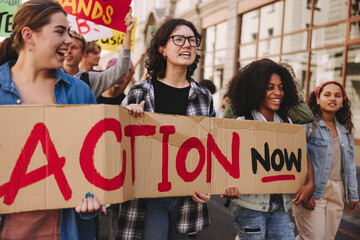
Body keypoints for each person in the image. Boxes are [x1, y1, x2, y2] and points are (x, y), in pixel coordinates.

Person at [0, 0, 104, 239]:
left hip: (66, 227)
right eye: (60, 31)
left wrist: (93, 198)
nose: (68, 40)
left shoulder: (80, 92)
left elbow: (94, 164)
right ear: (29, 35)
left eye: (68, 31)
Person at [117, 18, 214, 240]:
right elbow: (117, 142)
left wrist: (209, 184)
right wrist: (127, 115)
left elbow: (210, 145)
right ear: (162, 48)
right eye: (178, 39)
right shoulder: (140, 91)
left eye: (192, 40)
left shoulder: (203, 96)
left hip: (187, 195)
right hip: (150, 197)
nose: (187, 45)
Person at [225, 59, 315, 240]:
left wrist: (311, 183)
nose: (278, 93)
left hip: (280, 205)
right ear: (255, 89)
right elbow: (226, 162)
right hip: (250, 206)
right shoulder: (242, 124)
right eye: (270, 87)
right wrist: (227, 185)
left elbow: (300, 155)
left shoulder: (287, 122)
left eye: (281, 87)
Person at [292, 81, 359, 240]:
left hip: (337, 190)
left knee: (327, 238)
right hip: (313, 189)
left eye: (338, 95)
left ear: (343, 101)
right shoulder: (308, 125)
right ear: (317, 99)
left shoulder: (345, 130)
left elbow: (349, 166)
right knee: (313, 237)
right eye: (327, 95)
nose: (333, 99)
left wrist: (353, 195)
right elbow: (297, 157)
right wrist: (305, 188)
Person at [63, 8, 134, 98]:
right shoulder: (50, 75)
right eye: (66, 46)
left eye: (74, 47)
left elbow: (121, 70)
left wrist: (127, 32)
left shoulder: (91, 80)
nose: (68, 50)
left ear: (83, 53)